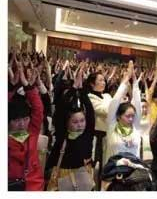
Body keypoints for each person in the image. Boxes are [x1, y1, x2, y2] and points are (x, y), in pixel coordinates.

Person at [46, 63, 95, 191]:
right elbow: (60, 110)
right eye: (75, 122)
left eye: (82, 121)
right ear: (67, 123)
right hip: (63, 177)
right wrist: (73, 89)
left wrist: (82, 91)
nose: (80, 124)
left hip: (83, 179)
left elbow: (90, 113)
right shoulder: (63, 136)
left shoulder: (87, 135)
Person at [8, 58, 45, 190]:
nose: (22, 124)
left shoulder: (31, 131)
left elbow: (38, 109)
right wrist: (11, 87)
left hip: (33, 186)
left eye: (25, 119)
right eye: (17, 120)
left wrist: (28, 86)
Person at [104, 61, 142, 165]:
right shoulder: (112, 126)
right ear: (118, 116)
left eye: (133, 116)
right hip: (114, 171)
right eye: (127, 116)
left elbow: (138, 103)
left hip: (134, 171)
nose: (131, 119)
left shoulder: (135, 127)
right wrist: (125, 81)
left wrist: (135, 82)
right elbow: (115, 102)